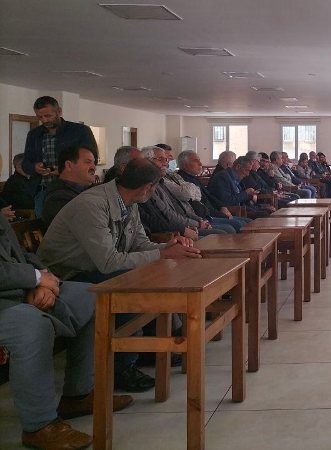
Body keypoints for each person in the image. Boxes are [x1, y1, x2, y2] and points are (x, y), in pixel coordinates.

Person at [0, 151, 132, 450]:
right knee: (31, 326)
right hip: (7, 298)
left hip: (19, 286)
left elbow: (21, 254)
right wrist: (34, 279)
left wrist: (44, 276)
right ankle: (39, 425)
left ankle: (78, 394)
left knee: (94, 297)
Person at [38, 158, 201, 393]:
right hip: (65, 276)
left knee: (152, 273)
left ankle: (147, 348)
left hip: (93, 269)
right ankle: (123, 366)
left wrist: (167, 247)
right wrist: (162, 255)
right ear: (148, 187)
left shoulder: (128, 201)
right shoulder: (92, 205)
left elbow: (139, 244)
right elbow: (109, 263)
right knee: (133, 284)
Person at [22, 96, 97, 217]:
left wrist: (62, 170)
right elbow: (25, 164)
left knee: (77, 223)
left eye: (48, 115)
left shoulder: (79, 131)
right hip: (43, 190)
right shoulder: (34, 135)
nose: (44, 120)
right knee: (47, 225)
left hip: (74, 189)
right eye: (40, 117)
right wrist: (35, 167)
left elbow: (92, 159)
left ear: (59, 111)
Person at [139, 146, 228, 239]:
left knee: (226, 230)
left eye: (166, 160)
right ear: (146, 162)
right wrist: (193, 225)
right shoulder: (149, 187)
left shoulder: (161, 182)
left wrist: (199, 221)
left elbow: (178, 206)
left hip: (189, 222)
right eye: (160, 159)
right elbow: (168, 214)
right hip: (173, 232)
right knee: (224, 232)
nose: (166, 163)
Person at [176, 150, 251, 232]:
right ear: (185, 166)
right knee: (237, 226)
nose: (200, 164)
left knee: (247, 222)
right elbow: (201, 206)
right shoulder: (184, 182)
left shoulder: (193, 178)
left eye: (199, 160)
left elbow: (209, 197)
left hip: (213, 213)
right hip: (203, 219)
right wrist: (222, 215)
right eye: (196, 161)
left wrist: (222, 206)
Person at [41, 145, 97, 229]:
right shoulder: (58, 199)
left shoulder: (89, 192)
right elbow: (90, 228)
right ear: (69, 166)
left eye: (93, 163)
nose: (94, 168)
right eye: (88, 162)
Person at [208, 156, 273, 218]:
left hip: (242, 209)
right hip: (232, 212)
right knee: (264, 215)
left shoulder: (236, 177)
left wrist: (261, 208)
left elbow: (244, 200)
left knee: (268, 211)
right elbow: (227, 201)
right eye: (247, 170)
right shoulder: (223, 177)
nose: (247, 174)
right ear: (238, 167)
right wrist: (246, 193)